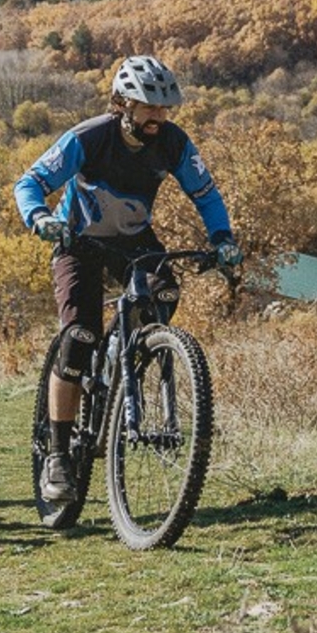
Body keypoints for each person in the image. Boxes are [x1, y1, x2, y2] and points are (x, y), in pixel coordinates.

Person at [13, 54, 243, 505]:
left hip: (133, 240)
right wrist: (38, 216)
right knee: (78, 337)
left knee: (165, 292)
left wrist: (223, 239)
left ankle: (123, 354)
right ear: (123, 103)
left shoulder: (174, 143)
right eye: (148, 106)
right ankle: (59, 455)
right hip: (78, 240)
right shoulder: (89, 137)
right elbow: (31, 181)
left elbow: (206, 194)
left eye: (164, 108)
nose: (158, 116)